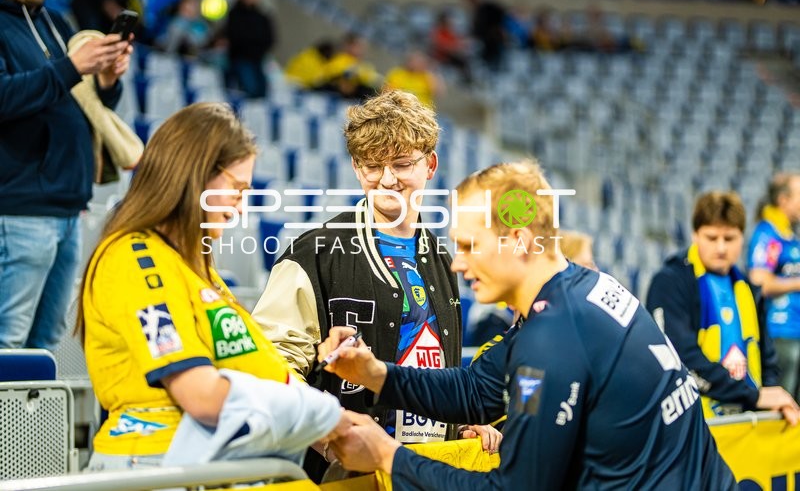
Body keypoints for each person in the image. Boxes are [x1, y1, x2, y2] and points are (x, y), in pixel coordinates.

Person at [319, 160, 738, 489]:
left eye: (469, 245)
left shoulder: (554, 337)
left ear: (518, 239)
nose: (457, 261)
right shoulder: (578, 290)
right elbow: (476, 390)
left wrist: (388, 456)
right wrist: (375, 374)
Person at [78, 103, 351, 470]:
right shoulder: (135, 258)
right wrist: (319, 414)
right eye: (237, 189)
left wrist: (337, 433)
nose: (239, 208)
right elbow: (201, 396)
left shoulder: (195, 265)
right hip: (155, 464)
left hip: (212, 461)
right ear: (196, 176)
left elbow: (263, 370)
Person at [252, 90, 497, 480]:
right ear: (354, 166)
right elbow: (268, 365)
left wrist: (459, 425)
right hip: (346, 474)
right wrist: (330, 437)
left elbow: (434, 370)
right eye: (371, 166)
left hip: (429, 470)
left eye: (401, 164)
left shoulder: (443, 259)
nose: (386, 180)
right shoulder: (315, 252)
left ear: (430, 165)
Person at [0, 0, 131, 349]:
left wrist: (107, 80)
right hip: (20, 211)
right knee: (8, 343)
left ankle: (32, 418)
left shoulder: (57, 24)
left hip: (68, 210)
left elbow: (87, 101)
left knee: (46, 345)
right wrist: (71, 67)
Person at [647, 191, 799, 422]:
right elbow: (678, 358)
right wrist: (754, 396)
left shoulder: (747, 288)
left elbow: (767, 359)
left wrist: (770, 401)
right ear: (695, 234)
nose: (720, 248)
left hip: (747, 424)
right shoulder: (669, 281)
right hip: (691, 426)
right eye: (711, 237)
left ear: (741, 237)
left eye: (729, 238)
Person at [748, 172, 800, 400]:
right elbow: (759, 281)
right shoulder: (768, 234)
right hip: (780, 334)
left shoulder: (788, 236)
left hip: (795, 332)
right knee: (784, 405)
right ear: (783, 200)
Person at [223, 0, 275, 99]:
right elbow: (236, 37)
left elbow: (269, 39)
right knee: (249, 91)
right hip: (240, 60)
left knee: (262, 94)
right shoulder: (234, 13)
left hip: (258, 61)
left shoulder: (263, 16)